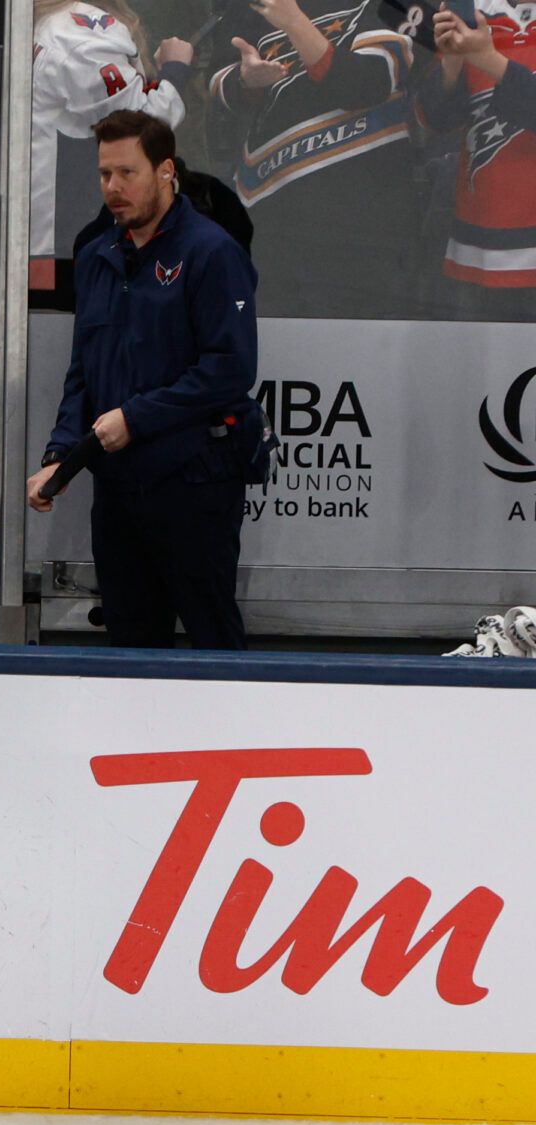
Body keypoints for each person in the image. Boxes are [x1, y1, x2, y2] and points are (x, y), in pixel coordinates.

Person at [27, 110, 260, 650]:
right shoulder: (95, 256)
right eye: (105, 174)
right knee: (130, 647)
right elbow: (84, 369)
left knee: (213, 639)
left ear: (165, 171)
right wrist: (60, 453)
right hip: (119, 491)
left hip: (194, 485)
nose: (114, 187)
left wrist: (136, 417)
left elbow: (231, 368)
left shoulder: (211, 251)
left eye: (127, 173)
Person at [209, 0, 421, 317]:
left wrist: (294, 21)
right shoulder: (253, 7)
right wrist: (245, 79)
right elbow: (218, 81)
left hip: (364, 228)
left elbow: (365, 84)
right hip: (265, 219)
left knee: (355, 357)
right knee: (273, 358)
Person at [30, 0, 195, 298]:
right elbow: (144, 128)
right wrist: (176, 69)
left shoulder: (48, 24)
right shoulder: (74, 29)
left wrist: (154, 78)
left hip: (57, 241)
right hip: (73, 243)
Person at [418, 1, 536, 314]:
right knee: (477, 359)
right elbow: (435, 120)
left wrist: (487, 59)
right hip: (478, 245)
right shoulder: (469, 13)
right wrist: (452, 61)